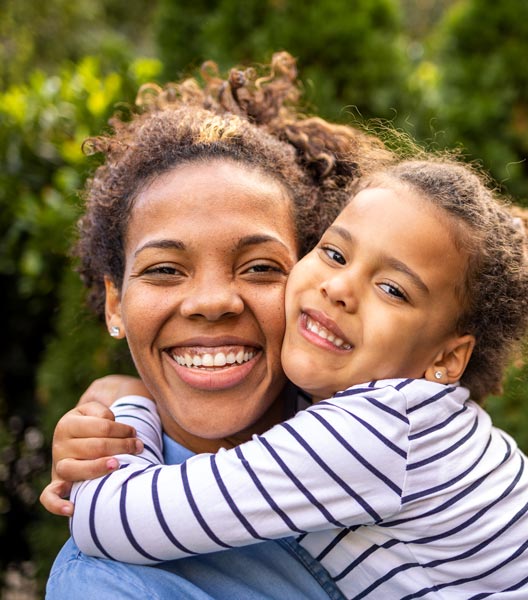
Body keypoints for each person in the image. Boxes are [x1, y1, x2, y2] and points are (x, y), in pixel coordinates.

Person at [51, 158, 528, 598]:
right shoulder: (397, 415)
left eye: (394, 289)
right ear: (115, 301)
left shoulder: (370, 436)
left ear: (447, 359)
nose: (341, 288)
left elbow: (109, 520)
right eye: (335, 253)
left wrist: (127, 411)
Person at [43, 51, 393, 599]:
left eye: (260, 267)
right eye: (163, 270)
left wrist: (127, 395)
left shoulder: (387, 432)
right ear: (115, 304)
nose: (212, 302)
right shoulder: (110, 582)